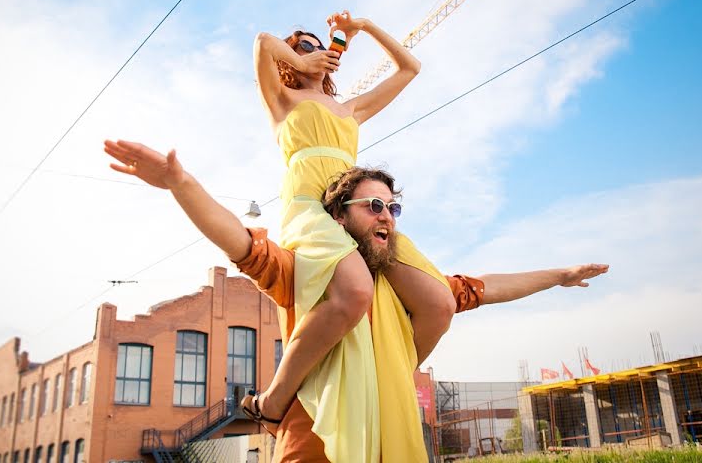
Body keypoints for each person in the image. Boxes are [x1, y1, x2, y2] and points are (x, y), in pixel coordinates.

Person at [103, 140, 609, 461]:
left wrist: (559, 274)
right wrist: (180, 183)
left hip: (391, 435)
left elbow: (486, 287)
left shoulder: (402, 288)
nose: (386, 215)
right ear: (339, 219)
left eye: (393, 207)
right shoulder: (308, 275)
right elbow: (239, 241)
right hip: (314, 443)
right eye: (373, 206)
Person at [252, 12, 467, 461]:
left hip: (360, 211)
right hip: (311, 207)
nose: (315, 51)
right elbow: (263, 42)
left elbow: (410, 69)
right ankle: (274, 399)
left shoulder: (349, 109)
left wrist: (364, 28)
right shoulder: (281, 100)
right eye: (304, 46)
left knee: (439, 301)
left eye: (319, 46)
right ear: (292, 59)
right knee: (355, 289)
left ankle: (391, 374)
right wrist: (305, 60)